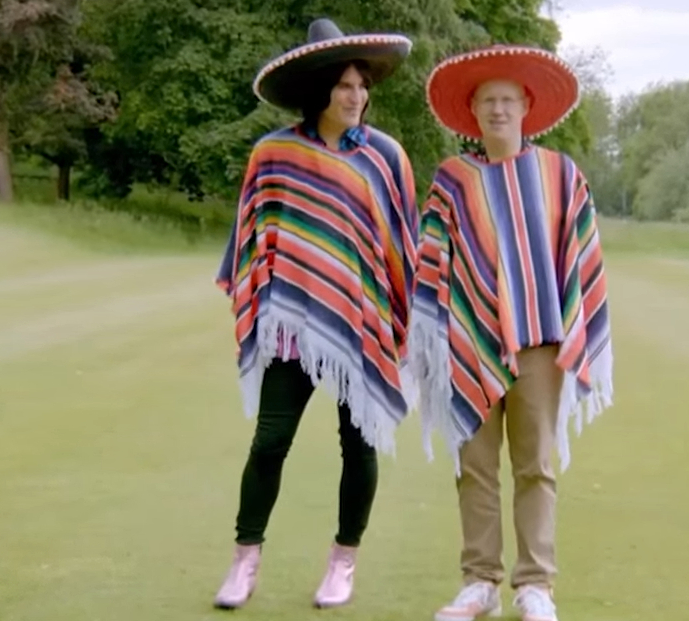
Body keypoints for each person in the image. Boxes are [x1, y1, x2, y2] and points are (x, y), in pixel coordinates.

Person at [212, 17, 418, 611]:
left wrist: (402, 315)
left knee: (359, 444)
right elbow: (253, 233)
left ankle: (342, 564)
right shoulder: (273, 152)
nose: (356, 96)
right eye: (345, 86)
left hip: (359, 326)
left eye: (363, 85)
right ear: (319, 90)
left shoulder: (385, 157)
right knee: (270, 439)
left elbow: (398, 244)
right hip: (292, 324)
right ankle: (244, 560)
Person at [408, 44, 615, 621]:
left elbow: (579, 258)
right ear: (472, 111)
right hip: (469, 343)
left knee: (536, 465)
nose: (497, 110)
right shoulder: (453, 179)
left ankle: (535, 585)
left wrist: (575, 328)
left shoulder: (560, 173)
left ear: (526, 105)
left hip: (540, 344)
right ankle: (479, 583)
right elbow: (433, 259)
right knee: (473, 467)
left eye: (507, 100)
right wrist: (433, 338)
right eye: (486, 101)